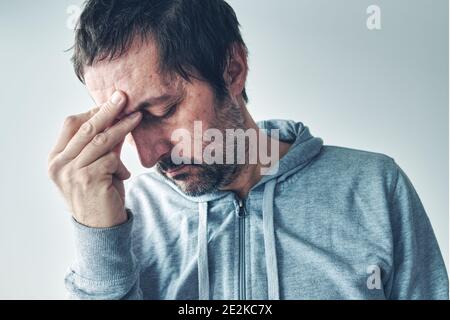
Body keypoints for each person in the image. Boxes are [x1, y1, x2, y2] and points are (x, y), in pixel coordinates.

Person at [48, 0, 448, 299]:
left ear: (232, 69)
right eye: (122, 124)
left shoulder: (375, 187)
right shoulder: (126, 218)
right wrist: (99, 240)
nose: (148, 157)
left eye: (163, 110)